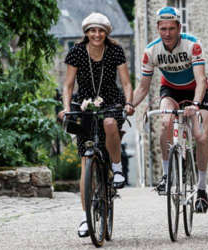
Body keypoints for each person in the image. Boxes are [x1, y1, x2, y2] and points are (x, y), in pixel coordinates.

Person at [57, 12, 134, 237]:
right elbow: (68, 86)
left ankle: (117, 170)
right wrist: (66, 107)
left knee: (110, 123)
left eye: (100, 30)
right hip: (85, 105)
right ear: (86, 32)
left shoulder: (115, 51)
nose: (96, 34)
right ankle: (84, 217)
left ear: (106, 33)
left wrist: (129, 102)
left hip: (111, 101)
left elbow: (127, 83)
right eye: (92, 30)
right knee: (85, 162)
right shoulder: (77, 52)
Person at [133, 7, 208, 213]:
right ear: (158, 28)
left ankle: (201, 189)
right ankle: (167, 175)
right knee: (166, 122)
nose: (167, 34)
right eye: (162, 29)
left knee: (200, 136)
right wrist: (129, 105)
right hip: (170, 90)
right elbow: (143, 87)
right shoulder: (151, 51)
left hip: (196, 90)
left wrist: (195, 105)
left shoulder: (192, 45)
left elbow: (201, 79)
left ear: (179, 27)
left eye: (171, 28)